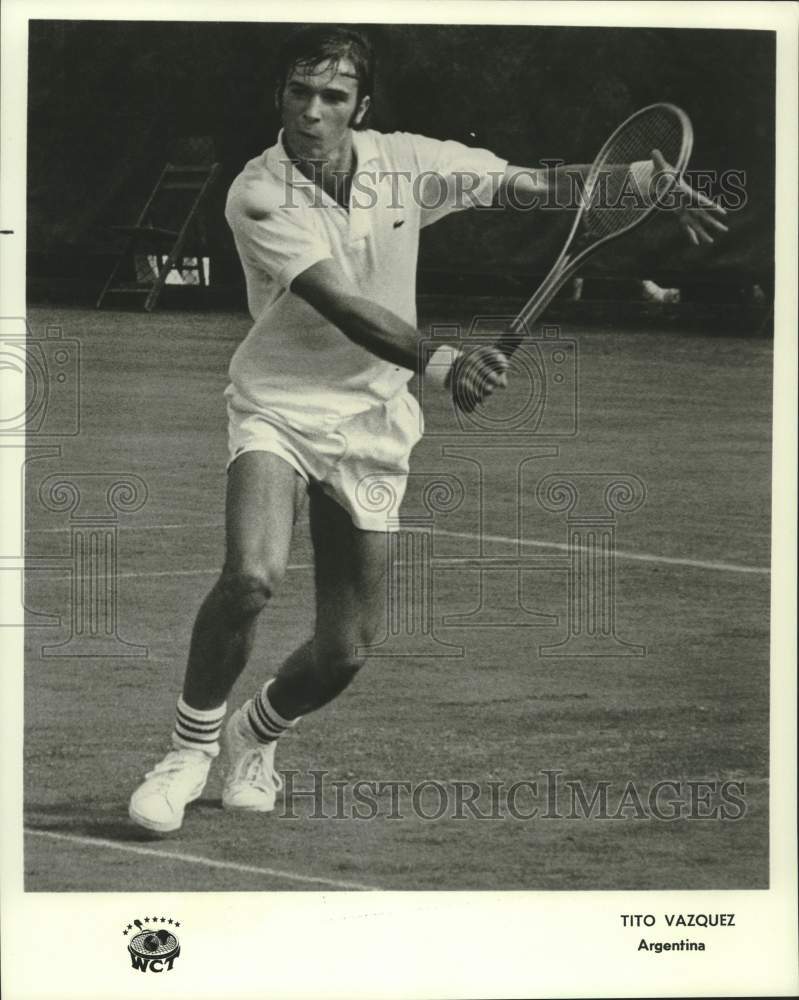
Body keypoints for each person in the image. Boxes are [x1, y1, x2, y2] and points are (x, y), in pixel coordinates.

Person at [129, 25, 727, 834]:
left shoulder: (406, 162)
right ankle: (187, 751)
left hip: (375, 422)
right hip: (278, 405)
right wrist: (444, 362)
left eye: (332, 97)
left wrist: (638, 178)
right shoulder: (257, 192)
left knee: (344, 651)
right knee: (251, 577)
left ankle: (253, 736)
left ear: (359, 106)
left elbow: (536, 188)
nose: (311, 112)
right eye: (297, 94)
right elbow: (343, 306)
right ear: (279, 98)